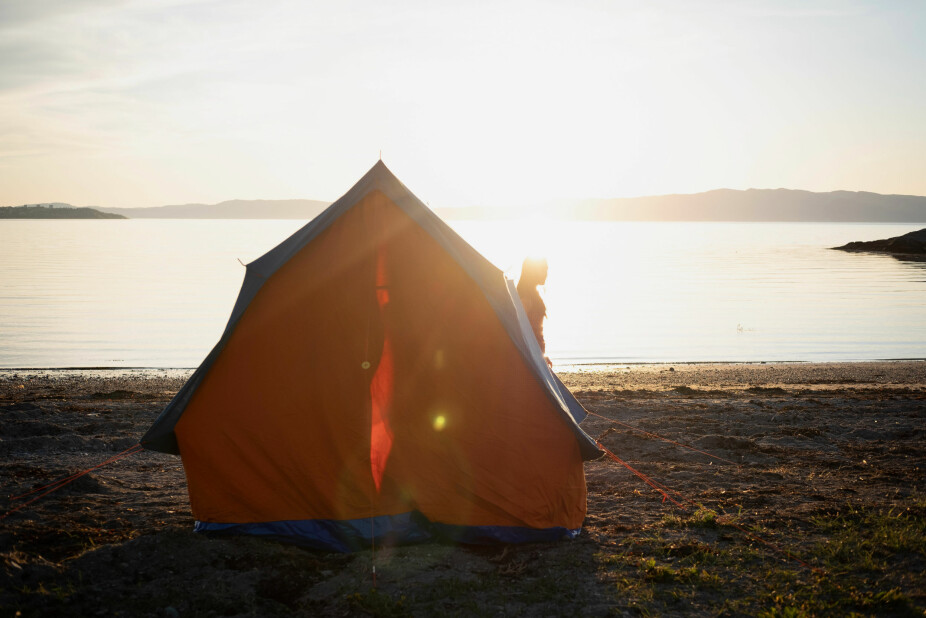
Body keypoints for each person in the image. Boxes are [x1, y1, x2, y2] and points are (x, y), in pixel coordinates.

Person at [517, 257, 553, 368]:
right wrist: (536, 357)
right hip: (530, 359)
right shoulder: (526, 298)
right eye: (543, 270)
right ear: (533, 272)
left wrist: (542, 356)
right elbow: (520, 330)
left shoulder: (533, 294)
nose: (546, 273)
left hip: (536, 356)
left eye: (547, 269)